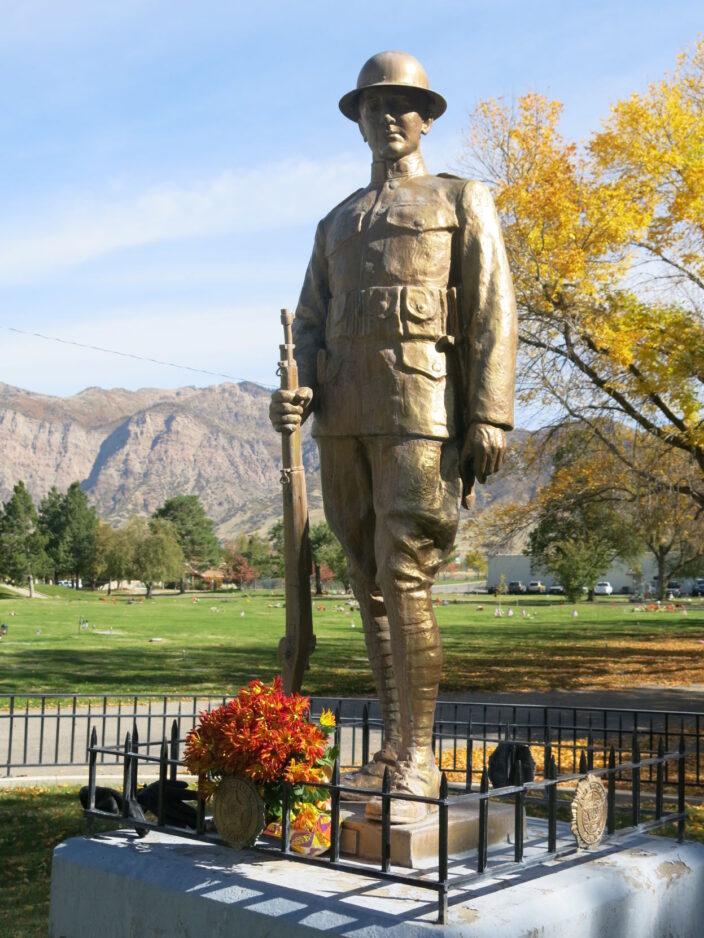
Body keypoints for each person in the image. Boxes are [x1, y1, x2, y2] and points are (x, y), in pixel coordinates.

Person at [270, 51, 517, 822]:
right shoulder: (336, 222)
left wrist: (490, 412)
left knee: (403, 569)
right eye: (372, 106)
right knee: (365, 576)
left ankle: (419, 756)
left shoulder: (461, 199)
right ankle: (391, 746)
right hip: (344, 417)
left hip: (421, 410)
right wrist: (298, 391)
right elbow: (309, 322)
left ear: (427, 116)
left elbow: (492, 309)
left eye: (400, 104)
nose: (385, 117)